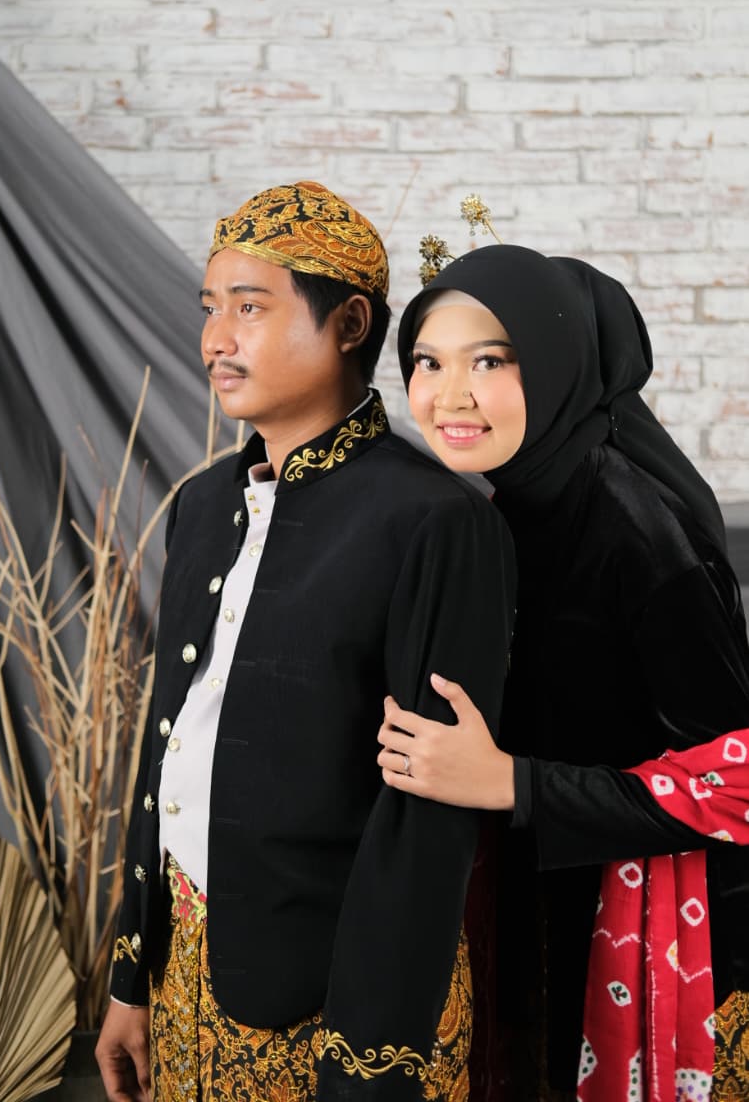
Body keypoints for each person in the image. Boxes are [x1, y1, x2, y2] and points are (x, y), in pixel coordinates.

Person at [95, 181, 516, 1102]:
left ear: (350, 323)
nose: (216, 339)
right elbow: (171, 748)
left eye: (249, 308)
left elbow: (427, 821)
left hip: (343, 1004)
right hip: (186, 980)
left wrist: (370, 1061)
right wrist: (131, 975)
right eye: (209, 308)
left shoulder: (437, 521)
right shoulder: (202, 504)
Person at [378, 242, 749, 1101]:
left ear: (554, 364)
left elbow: (736, 780)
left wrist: (510, 783)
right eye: (428, 361)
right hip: (540, 897)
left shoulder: (638, 533)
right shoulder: (506, 502)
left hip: (643, 926)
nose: (449, 394)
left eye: (489, 361)